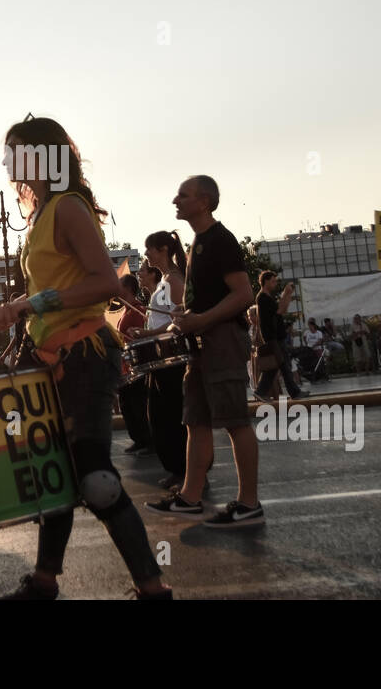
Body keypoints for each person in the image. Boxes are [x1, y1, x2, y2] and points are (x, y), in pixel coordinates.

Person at [0, 117, 168, 599]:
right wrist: (19, 317)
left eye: (16, 151)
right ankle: (45, 582)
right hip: (57, 356)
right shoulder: (43, 212)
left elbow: (105, 283)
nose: (8, 162)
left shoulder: (67, 207)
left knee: (95, 478)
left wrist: (29, 304)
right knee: (57, 473)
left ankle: (154, 589)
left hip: (85, 356)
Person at [146, 175, 263, 529]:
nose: (175, 200)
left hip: (222, 340)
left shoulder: (221, 240)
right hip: (202, 343)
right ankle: (190, 498)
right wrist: (185, 317)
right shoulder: (199, 241)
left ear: (204, 202)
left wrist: (202, 320)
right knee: (195, 420)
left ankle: (249, 504)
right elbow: (205, 299)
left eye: (183, 195)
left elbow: (243, 295)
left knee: (235, 423)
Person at [137, 230, 189, 491]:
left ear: (163, 250)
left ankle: (183, 470)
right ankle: (176, 468)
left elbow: (178, 320)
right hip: (159, 358)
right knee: (159, 416)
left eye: (150, 249)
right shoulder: (165, 280)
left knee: (169, 416)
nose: (146, 254)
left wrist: (148, 333)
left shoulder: (175, 280)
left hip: (171, 359)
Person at [252, 271, 307, 401]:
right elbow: (280, 310)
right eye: (273, 281)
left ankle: (261, 391)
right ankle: (294, 392)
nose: (275, 283)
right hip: (272, 338)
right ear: (265, 282)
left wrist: (288, 294)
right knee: (283, 364)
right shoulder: (263, 298)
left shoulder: (267, 298)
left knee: (277, 365)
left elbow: (283, 309)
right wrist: (287, 293)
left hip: (275, 337)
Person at [115, 273, 152, 455]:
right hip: (124, 365)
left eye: (119, 286)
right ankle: (138, 439)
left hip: (135, 366)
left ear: (129, 288)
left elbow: (140, 336)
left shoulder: (138, 310)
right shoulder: (125, 311)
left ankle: (146, 440)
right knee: (127, 405)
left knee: (137, 404)